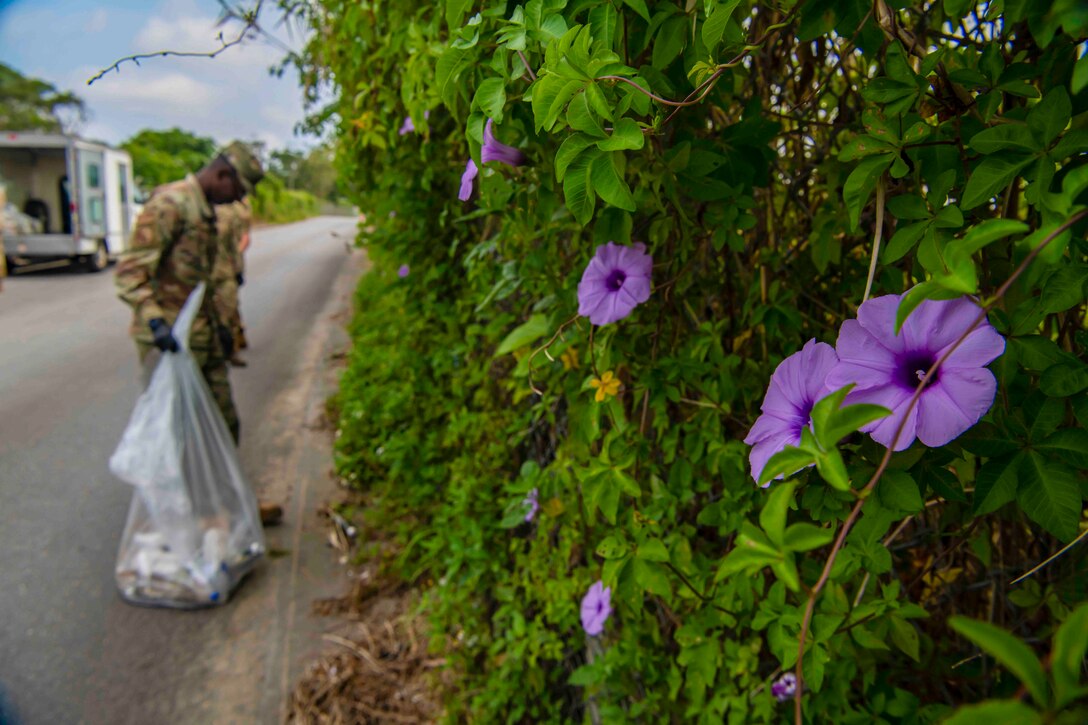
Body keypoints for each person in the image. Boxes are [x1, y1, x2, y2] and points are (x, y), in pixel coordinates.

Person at [114, 141, 282, 526]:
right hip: (168, 342)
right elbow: (130, 272)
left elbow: (205, 281)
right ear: (222, 175)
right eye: (237, 190)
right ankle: (181, 520)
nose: (237, 199)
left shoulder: (206, 210)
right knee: (176, 434)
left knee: (223, 423)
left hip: (202, 337)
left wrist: (225, 331)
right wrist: (155, 322)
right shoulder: (170, 205)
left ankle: (229, 506)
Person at [213, 199, 251, 367]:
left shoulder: (238, 209)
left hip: (229, 267)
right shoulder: (209, 207)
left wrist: (234, 259)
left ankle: (233, 346)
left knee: (230, 305)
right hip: (216, 269)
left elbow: (244, 238)